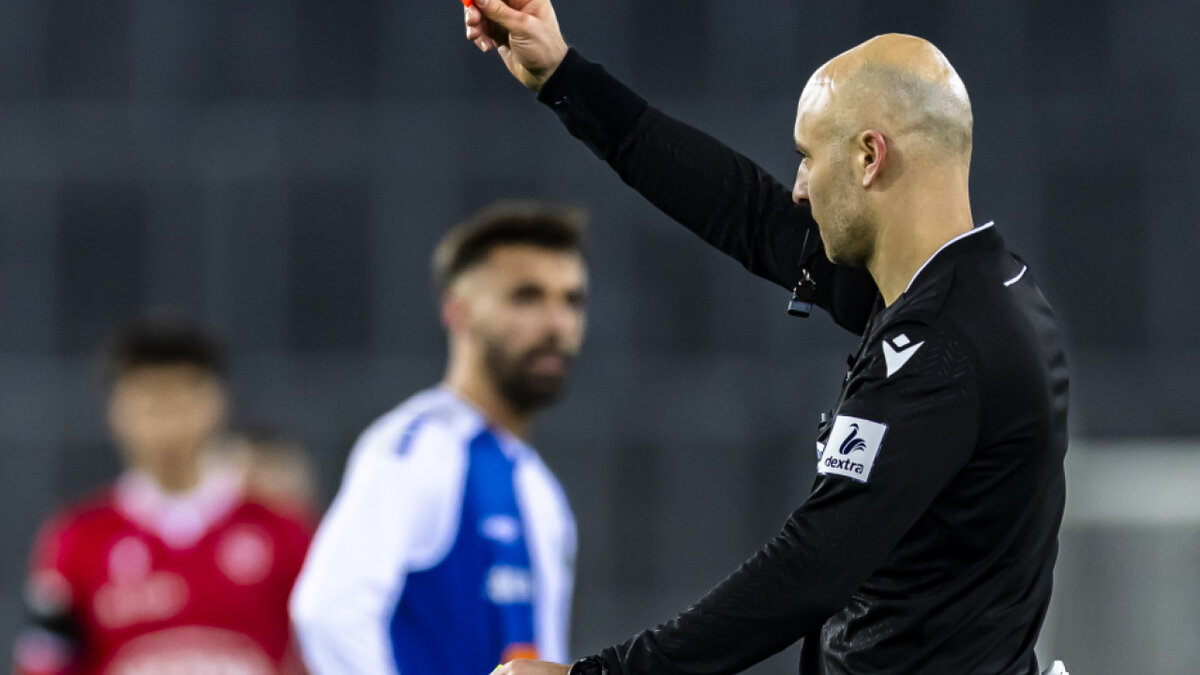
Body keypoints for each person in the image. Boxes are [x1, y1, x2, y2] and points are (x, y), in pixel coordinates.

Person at [464, 3, 1069, 674]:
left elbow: (809, 570)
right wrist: (563, 76)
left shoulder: (941, 352)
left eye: (808, 157)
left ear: (869, 157)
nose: (800, 189)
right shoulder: (978, 289)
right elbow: (747, 212)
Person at [289, 201, 587, 674]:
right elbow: (329, 612)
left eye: (572, 300)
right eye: (526, 297)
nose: (557, 324)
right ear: (458, 311)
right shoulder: (422, 448)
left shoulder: (537, 484)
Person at [14, 317, 313, 675]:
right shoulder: (78, 539)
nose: (165, 417)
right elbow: (43, 662)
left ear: (217, 401)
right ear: (116, 410)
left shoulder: (282, 532)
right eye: (148, 397)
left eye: (180, 394)